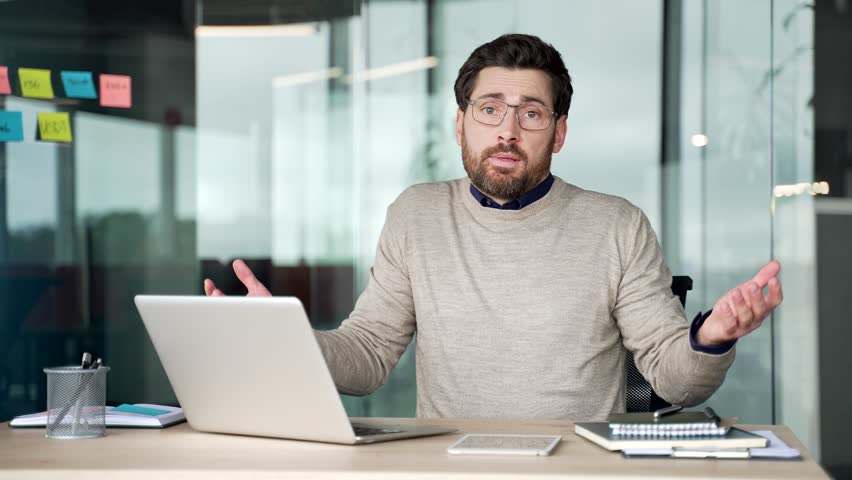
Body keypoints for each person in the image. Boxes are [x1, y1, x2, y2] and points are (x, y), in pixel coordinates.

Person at [204, 34, 783, 420]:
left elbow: (675, 380)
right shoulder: (416, 214)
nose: (507, 130)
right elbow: (368, 355)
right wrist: (285, 337)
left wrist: (712, 338)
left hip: (578, 472)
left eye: (531, 112)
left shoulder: (617, 225)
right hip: (449, 468)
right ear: (461, 124)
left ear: (558, 133)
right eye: (490, 109)